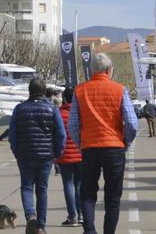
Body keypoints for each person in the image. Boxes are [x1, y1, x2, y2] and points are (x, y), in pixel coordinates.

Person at [69, 53, 139, 234]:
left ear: (93, 70)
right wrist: (125, 142)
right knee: (113, 197)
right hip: (114, 147)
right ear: (109, 70)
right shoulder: (119, 89)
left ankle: (90, 230)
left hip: (90, 148)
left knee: (88, 194)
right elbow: (132, 123)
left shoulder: (80, 90)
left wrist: (81, 144)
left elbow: (74, 124)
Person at [9, 78, 66, 234]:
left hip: (25, 155)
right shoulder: (52, 109)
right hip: (46, 156)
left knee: (27, 187)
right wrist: (57, 153)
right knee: (42, 190)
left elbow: (12, 134)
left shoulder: (19, 109)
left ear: (29, 91)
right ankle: (41, 226)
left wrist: (17, 151)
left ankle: (30, 216)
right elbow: (61, 134)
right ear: (43, 91)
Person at [56, 86, 83, 227]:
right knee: (79, 184)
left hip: (65, 154)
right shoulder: (81, 113)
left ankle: (72, 216)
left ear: (64, 98)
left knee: (68, 184)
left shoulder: (59, 113)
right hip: (80, 153)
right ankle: (82, 215)